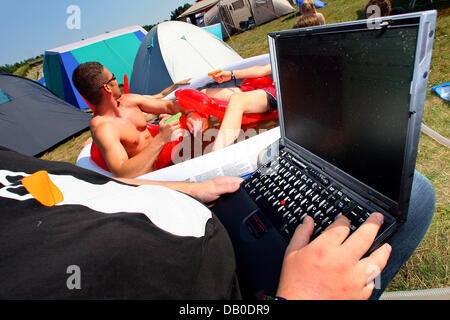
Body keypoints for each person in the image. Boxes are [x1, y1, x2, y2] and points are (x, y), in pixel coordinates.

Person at [0, 146, 435, 299]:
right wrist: (300, 297)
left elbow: (91, 189)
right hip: (226, 290)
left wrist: (190, 190)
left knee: (334, 173)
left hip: (216, 213)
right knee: (411, 194)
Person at [72, 62, 207, 178]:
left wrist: (190, 113)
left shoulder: (128, 100)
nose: (115, 80)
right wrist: (161, 138)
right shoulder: (104, 128)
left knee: (205, 113)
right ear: (107, 87)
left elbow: (168, 105)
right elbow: (122, 172)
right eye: (113, 77)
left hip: (165, 155)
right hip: (154, 173)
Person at [202, 64, 275, 151]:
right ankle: (202, 129)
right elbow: (264, 69)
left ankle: (217, 151)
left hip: (280, 92)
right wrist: (231, 75)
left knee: (237, 99)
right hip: (266, 86)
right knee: (204, 93)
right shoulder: (285, 54)